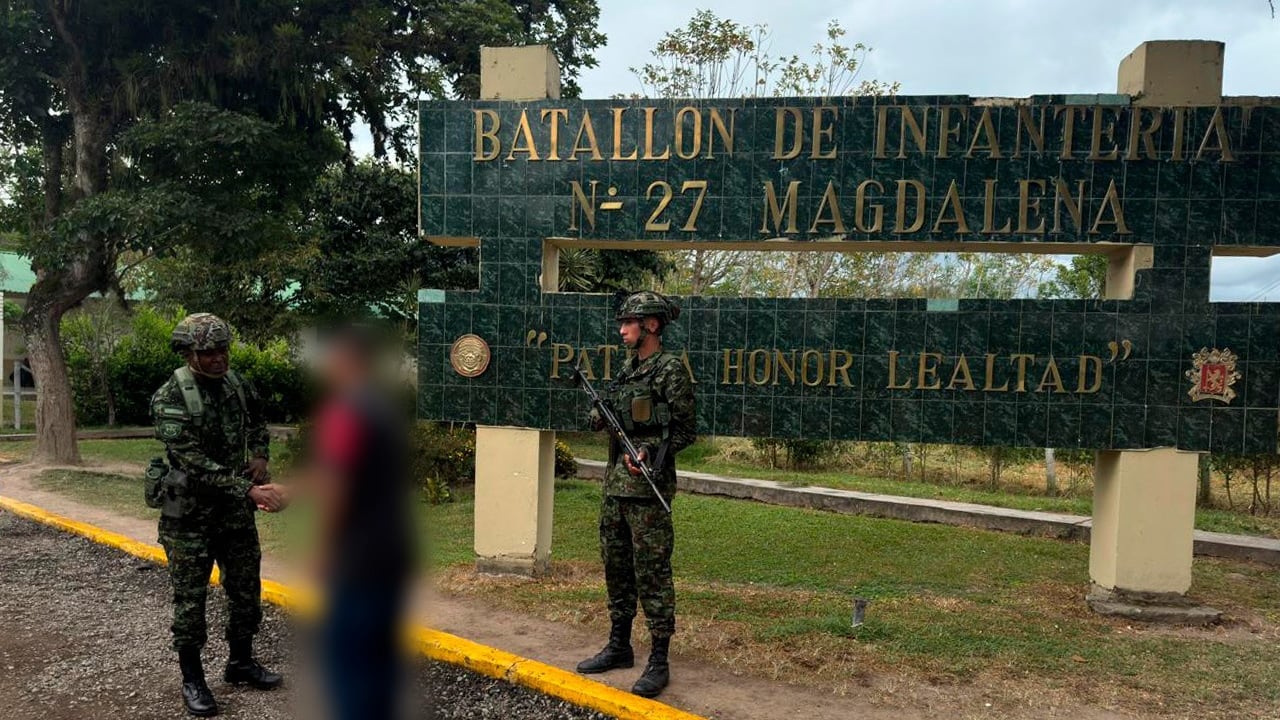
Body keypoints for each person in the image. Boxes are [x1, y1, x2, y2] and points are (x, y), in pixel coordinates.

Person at [151, 313, 286, 717]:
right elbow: (190, 460)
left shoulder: (237, 385)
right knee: (190, 601)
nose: (218, 359)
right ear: (189, 353)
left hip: (234, 513)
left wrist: (259, 456)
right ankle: (193, 680)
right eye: (208, 353)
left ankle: (240, 663)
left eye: (223, 350)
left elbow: (259, 421)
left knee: (245, 590)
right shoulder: (170, 397)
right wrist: (247, 488)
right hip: (189, 517)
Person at [576, 291, 696, 699]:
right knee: (617, 570)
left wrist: (652, 453)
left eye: (629, 322)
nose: (622, 329)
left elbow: (684, 430)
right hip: (615, 490)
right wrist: (598, 413)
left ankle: (659, 659)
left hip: (647, 492)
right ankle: (619, 645)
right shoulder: (627, 370)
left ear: (652, 325)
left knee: (653, 575)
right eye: (622, 322)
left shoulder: (669, 372)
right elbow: (604, 416)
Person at [304, 323, 415, 720]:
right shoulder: (383, 410)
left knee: (350, 667)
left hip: (356, 559)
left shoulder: (345, 411)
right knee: (380, 661)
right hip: (391, 551)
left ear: (346, 359)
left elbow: (340, 485)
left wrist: (323, 549)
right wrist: (293, 489)